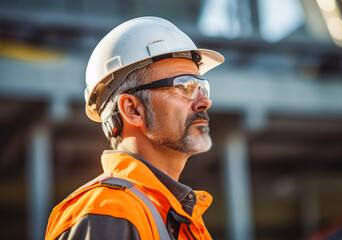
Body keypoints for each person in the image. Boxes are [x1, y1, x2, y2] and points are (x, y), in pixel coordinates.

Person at [45, 16, 224, 240]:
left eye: (202, 87)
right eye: (184, 86)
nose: (204, 102)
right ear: (132, 110)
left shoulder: (184, 219)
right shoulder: (105, 212)